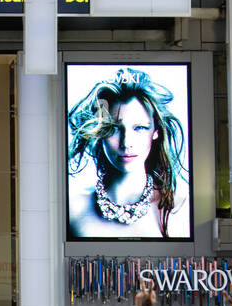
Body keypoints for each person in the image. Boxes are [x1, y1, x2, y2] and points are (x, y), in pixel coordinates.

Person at [67, 67, 188, 238]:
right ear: (99, 131)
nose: (126, 143)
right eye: (114, 129)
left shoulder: (181, 209)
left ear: (156, 131)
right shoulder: (74, 208)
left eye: (139, 128)